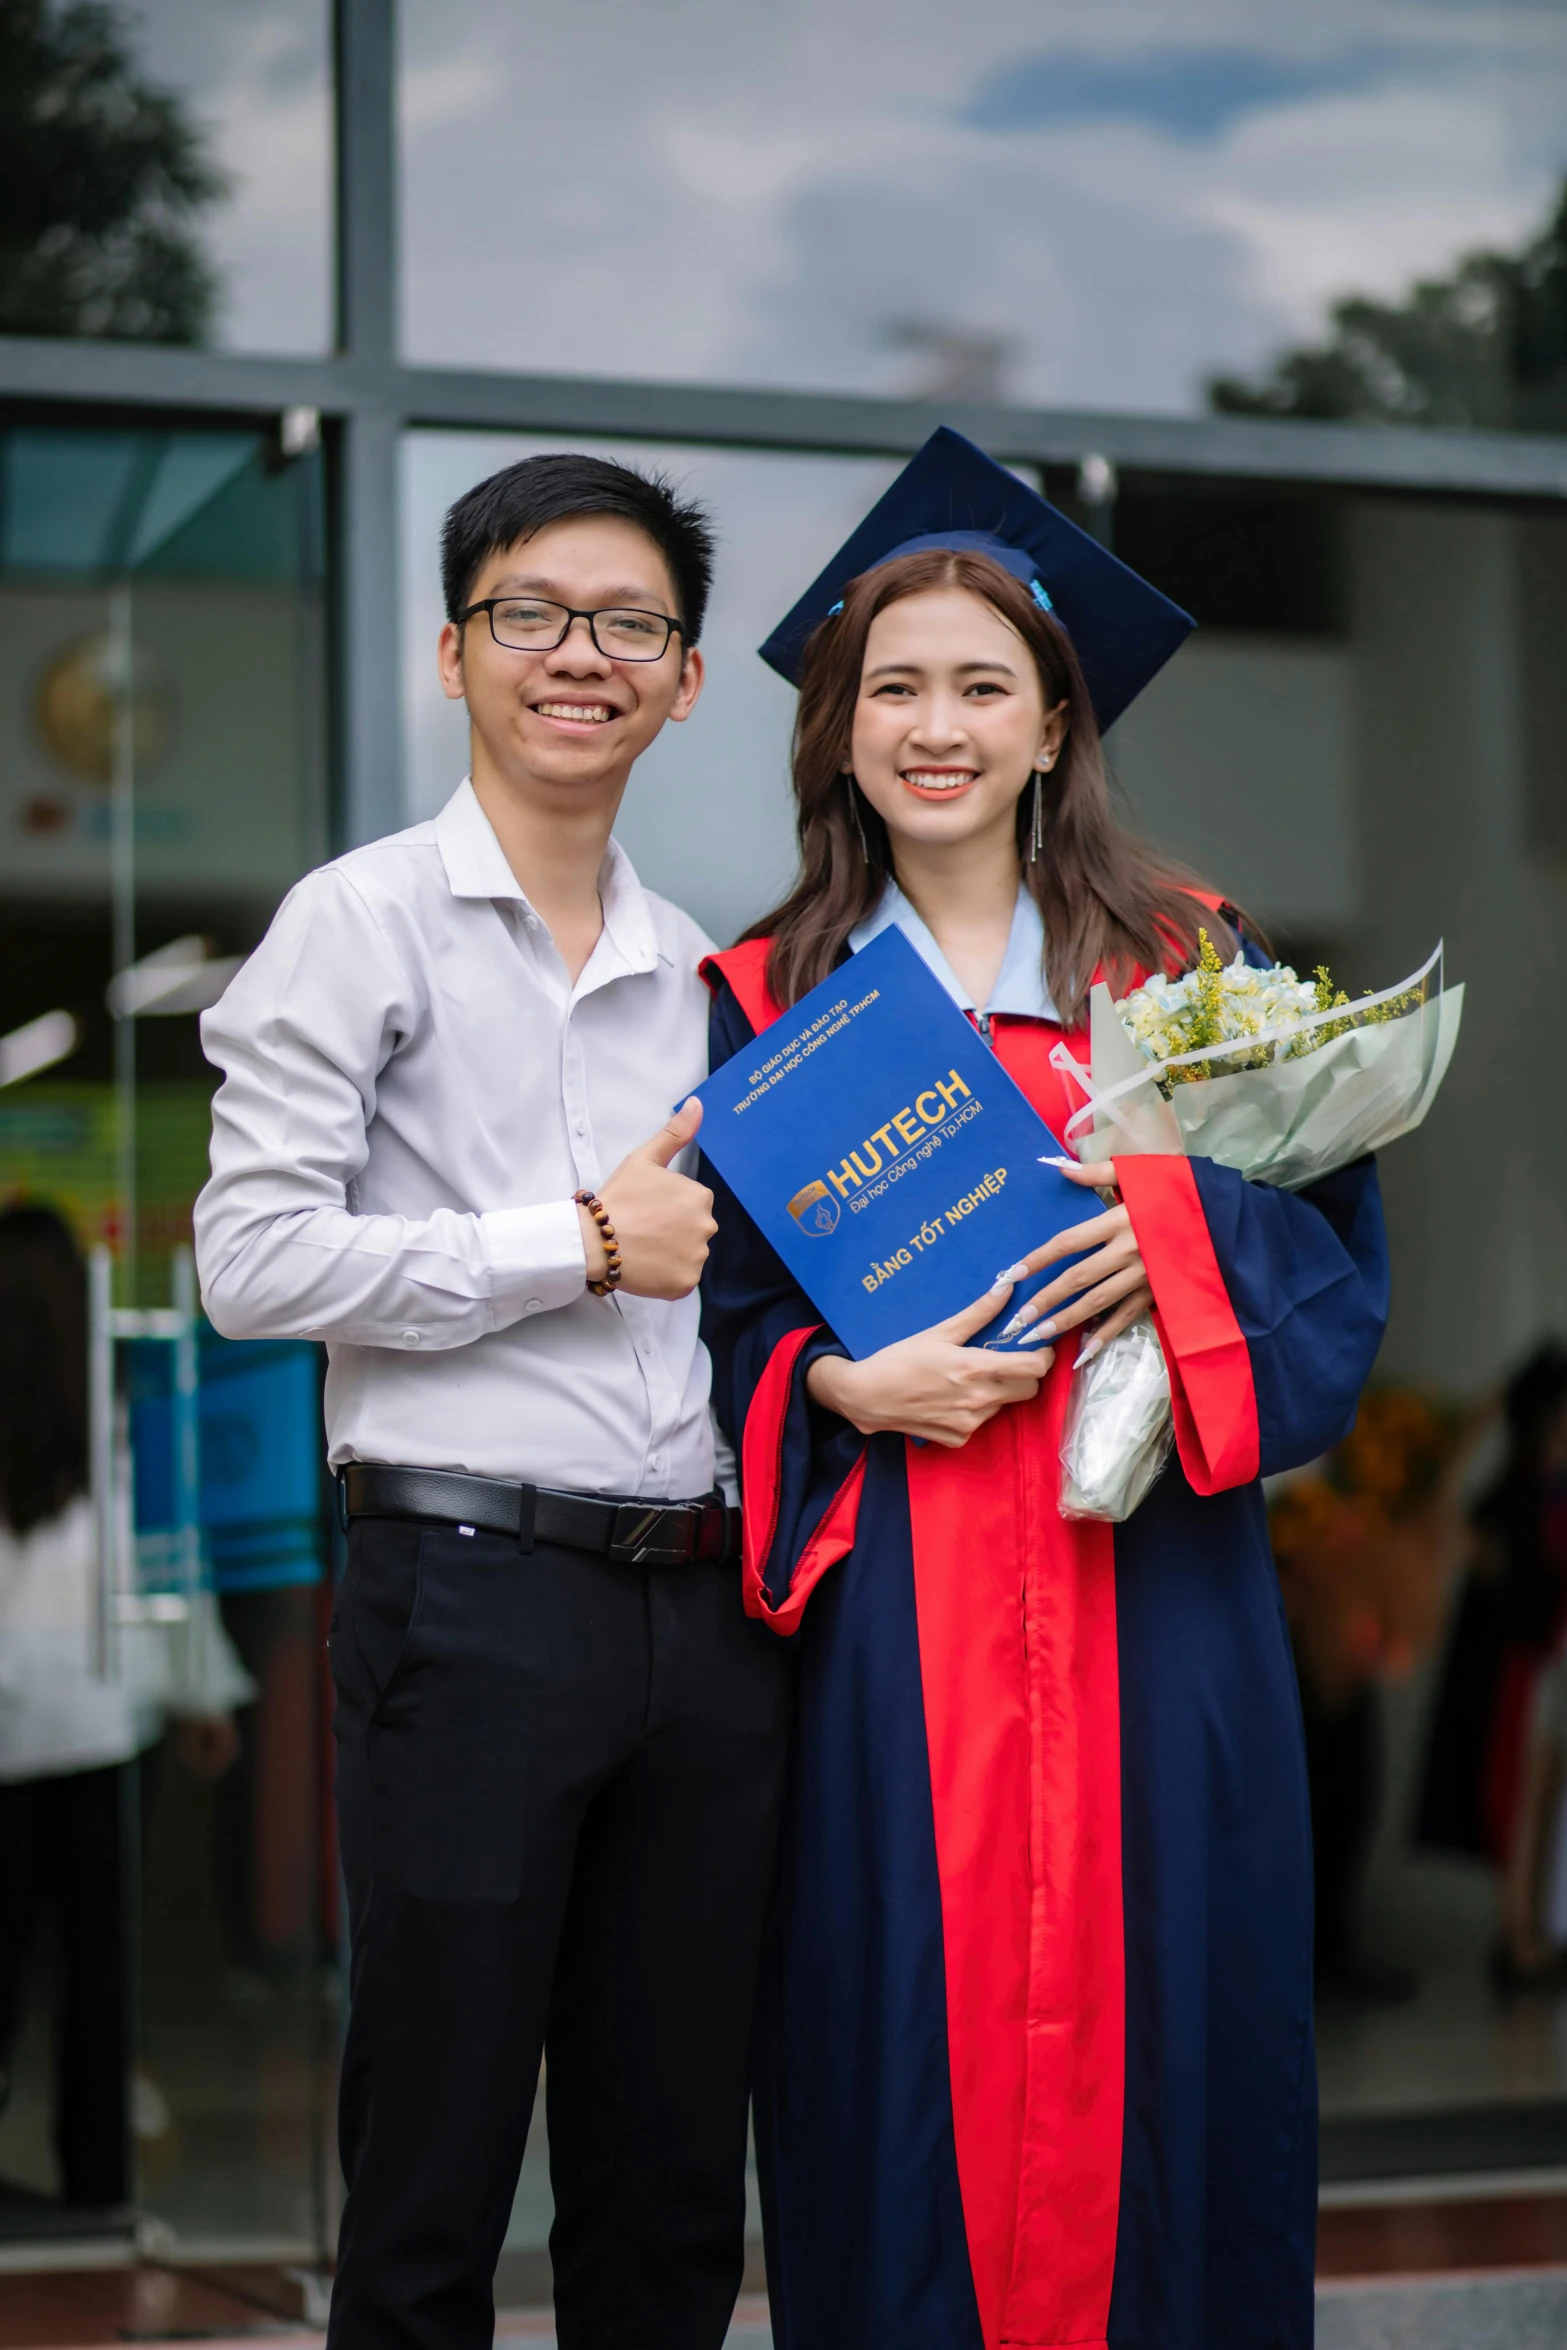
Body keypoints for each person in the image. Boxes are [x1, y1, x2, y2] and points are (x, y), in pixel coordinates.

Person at [699, 431, 1390, 2350]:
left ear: (1052, 719)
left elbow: (1333, 1265)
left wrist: (1171, 1248)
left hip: (1152, 1612)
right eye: (891, 687)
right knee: (891, 2046)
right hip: (894, 1644)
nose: (936, 725)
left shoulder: (1185, 967)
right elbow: (722, 1337)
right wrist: (838, 1383)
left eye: (979, 685)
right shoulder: (765, 1002)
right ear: (834, 727)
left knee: (1177, 2027)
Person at [194, 454, 793, 2350]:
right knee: (437, 2165)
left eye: (630, 626)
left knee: (676, 2181)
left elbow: (743, 1294)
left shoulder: (712, 970)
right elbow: (253, 1262)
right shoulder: (355, 924)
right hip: (466, 1597)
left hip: (704, 1615)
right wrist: (570, 1247)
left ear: (685, 680)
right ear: (454, 653)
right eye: (530, 615)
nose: (579, 657)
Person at [0, 1204, 245, 2215]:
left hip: (9, 1726)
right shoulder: (112, 1403)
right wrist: (203, 1688)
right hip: (100, 1722)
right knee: (101, 1974)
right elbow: (162, 1556)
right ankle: (97, 2185)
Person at [1419, 1341, 1567, 1987]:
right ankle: (1518, 1939)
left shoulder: (1542, 1491)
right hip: (1521, 1668)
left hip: (1540, 1664)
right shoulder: (1519, 1496)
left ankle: (1527, 1935)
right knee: (1521, 1801)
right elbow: (1457, 1538)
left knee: (1533, 1802)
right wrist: (1471, 1429)